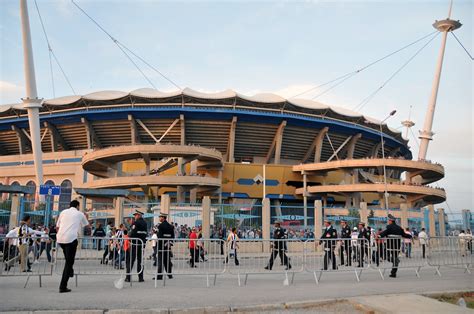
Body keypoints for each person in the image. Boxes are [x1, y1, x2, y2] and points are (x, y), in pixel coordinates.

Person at [56, 200, 89, 293]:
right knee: (69, 263)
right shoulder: (79, 214)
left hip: (60, 239)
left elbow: (57, 225)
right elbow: (86, 225)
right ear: (78, 206)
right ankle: (63, 286)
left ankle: (70, 271)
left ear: (69, 205)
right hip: (71, 239)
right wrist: (86, 217)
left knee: (68, 260)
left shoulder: (63, 212)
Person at [125, 210, 148, 283]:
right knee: (140, 261)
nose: (135, 217)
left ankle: (128, 277)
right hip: (142, 244)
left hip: (135, 244)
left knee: (131, 260)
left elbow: (132, 234)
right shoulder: (145, 223)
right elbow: (145, 233)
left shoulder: (135, 223)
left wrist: (128, 235)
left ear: (139, 215)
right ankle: (141, 278)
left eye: (135, 215)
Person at [155, 212, 174, 280]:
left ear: (163, 218)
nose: (159, 218)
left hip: (161, 246)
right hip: (168, 246)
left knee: (160, 261)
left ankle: (159, 276)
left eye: (160, 217)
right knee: (167, 260)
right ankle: (169, 275)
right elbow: (172, 237)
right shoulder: (170, 226)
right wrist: (169, 243)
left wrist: (156, 233)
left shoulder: (160, 226)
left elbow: (159, 236)